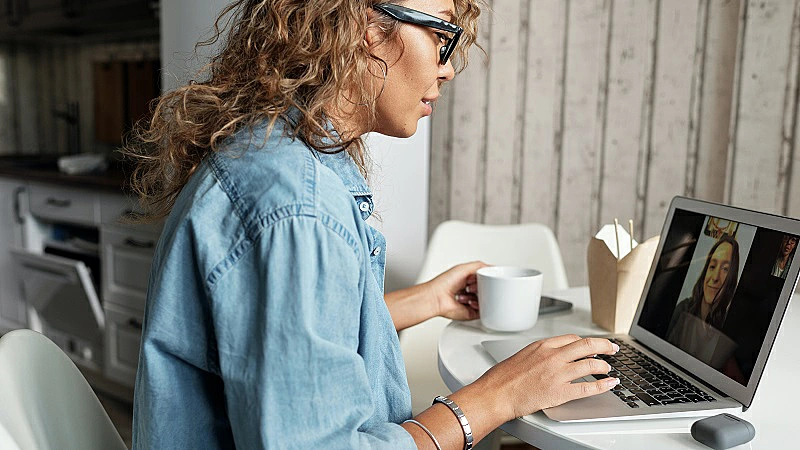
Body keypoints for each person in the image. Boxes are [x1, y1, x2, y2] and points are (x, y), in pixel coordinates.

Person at [126, 1, 620, 448]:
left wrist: (428, 300)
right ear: (365, 25)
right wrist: (496, 398)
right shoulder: (299, 207)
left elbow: (295, 339)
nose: (447, 69)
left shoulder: (272, 156)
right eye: (442, 34)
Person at [666, 236, 740, 368]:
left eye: (725, 269)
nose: (715, 277)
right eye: (712, 266)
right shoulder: (683, 310)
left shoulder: (728, 329)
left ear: (732, 278)